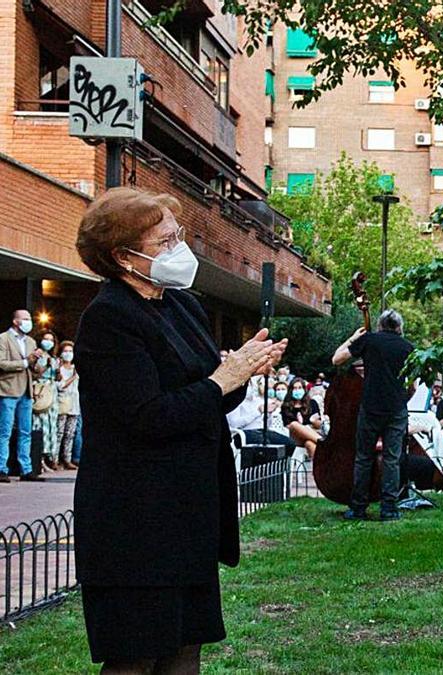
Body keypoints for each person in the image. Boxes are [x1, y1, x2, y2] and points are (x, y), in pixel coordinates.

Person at [73, 187, 286, 672]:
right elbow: (149, 416)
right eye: (165, 242)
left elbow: (211, 396)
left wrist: (242, 372)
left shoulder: (181, 305)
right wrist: (220, 381)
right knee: (137, 656)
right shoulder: (108, 318)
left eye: (178, 236)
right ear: (122, 257)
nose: (178, 249)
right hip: (135, 519)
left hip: (188, 513)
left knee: (186, 647)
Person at [332, 309, 414, 521]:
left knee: (363, 457)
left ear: (379, 325)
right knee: (391, 459)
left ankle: (358, 507)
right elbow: (413, 385)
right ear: (399, 327)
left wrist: (354, 337)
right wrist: (403, 398)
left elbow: (337, 359)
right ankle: (389, 508)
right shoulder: (408, 347)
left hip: (370, 406)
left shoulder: (369, 340)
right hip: (396, 408)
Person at [0, 309, 46, 482]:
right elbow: (2, 363)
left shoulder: (31, 341)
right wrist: (26, 361)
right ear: (15, 321)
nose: (28, 322)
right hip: (8, 390)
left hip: (26, 391)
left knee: (25, 431)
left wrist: (39, 362)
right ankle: (1, 468)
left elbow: (34, 370)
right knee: (4, 431)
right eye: (25, 319)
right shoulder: (3, 339)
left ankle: (26, 469)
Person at [32, 330, 61, 471]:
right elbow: (35, 372)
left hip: (52, 391)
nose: (48, 342)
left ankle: (51, 456)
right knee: (40, 423)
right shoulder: (37, 354)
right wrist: (47, 365)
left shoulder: (54, 357)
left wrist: (58, 370)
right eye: (46, 339)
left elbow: (57, 378)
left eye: (51, 340)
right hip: (40, 389)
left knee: (52, 424)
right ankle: (40, 458)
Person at [54, 340, 80, 469]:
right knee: (59, 432)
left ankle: (67, 459)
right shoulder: (59, 369)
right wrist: (72, 377)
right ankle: (54, 459)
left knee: (70, 434)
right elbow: (61, 385)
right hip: (62, 403)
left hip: (74, 404)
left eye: (70, 351)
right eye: (65, 351)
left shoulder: (77, 368)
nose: (68, 354)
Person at [282, 377, 323, 457]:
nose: (297, 390)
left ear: (304, 389)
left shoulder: (312, 403)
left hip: (312, 434)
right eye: (295, 388)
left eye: (300, 388)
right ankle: (324, 443)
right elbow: (288, 425)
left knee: (309, 444)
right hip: (295, 437)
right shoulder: (286, 406)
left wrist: (314, 422)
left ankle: (319, 467)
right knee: (294, 424)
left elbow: (318, 424)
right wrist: (301, 426)